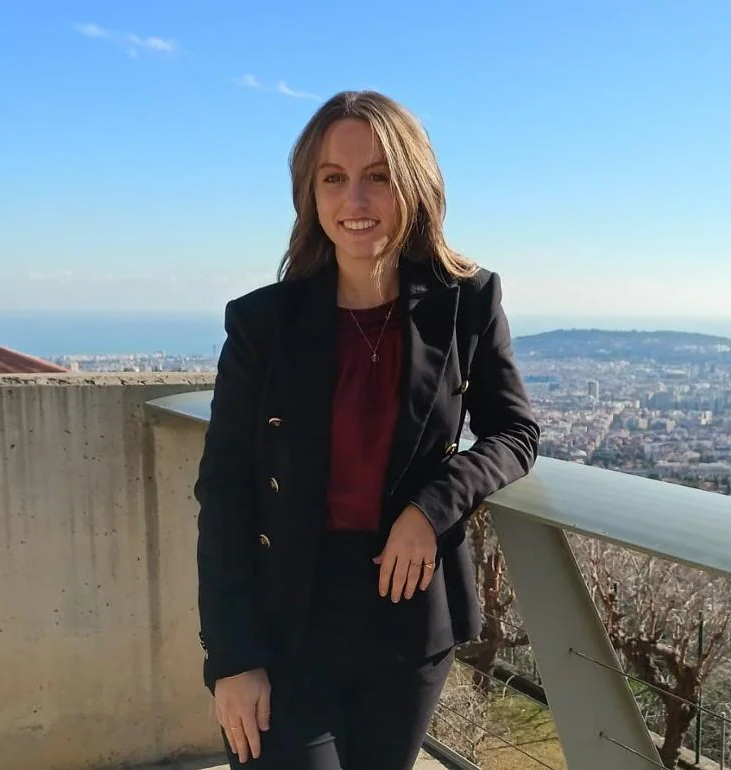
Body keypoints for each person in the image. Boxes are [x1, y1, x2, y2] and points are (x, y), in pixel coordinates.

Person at [193, 90, 540, 769]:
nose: (355, 200)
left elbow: (514, 432)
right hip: (286, 618)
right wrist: (231, 658)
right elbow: (226, 491)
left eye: (377, 176)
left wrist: (430, 507)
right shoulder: (263, 323)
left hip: (408, 618)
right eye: (334, 179)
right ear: (310, 196)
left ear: (413, 183)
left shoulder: (466, 300)